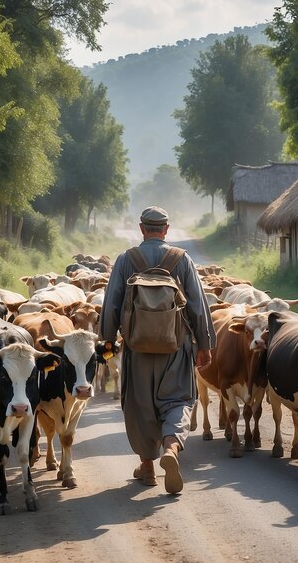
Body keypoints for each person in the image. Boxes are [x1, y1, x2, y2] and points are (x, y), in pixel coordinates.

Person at [99, 206, 216, 494]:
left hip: (137, 348)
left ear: (142, 229)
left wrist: (107, 340)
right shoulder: (182, 259)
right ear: (166, 229)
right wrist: (205, 344)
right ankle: (171, 447)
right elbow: (198, 306)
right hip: (175, 346)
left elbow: (112, 302)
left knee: (140, 405)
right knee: (178, 400)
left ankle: (148, 467)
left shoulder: (127, 260)